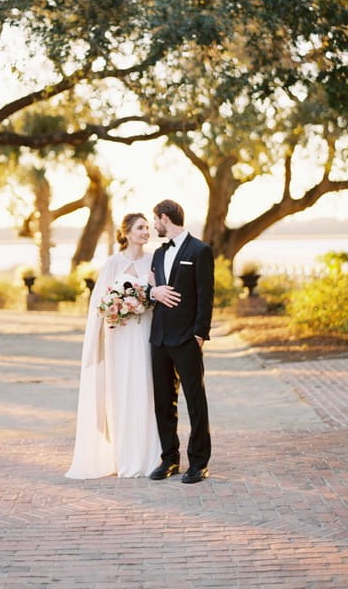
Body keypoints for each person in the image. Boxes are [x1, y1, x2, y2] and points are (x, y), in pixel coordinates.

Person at [66, 213, 161, 479]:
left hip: (144, 334)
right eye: (140, 228)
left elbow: (159, 294)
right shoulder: (113, 263)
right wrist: (117, 308)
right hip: (118, 336)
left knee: (145, 388)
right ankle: (122, 457)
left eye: (146, 228)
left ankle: (149, 456)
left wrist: (143, 300)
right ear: (127, 233)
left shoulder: (154, 261)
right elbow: (100, 304)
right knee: (120, 391)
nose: (145, 232)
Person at [148, 199, 214, 484]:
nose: (154, 226)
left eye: (156, 220)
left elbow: (206, 295)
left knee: (195, 401)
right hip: (159, 337)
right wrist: (154, 291)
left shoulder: (200, 250)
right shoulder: (158, 253)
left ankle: (198, 463)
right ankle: (169, 459)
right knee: (163, 402)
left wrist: (200, 334)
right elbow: (153, 289)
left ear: (165, 218)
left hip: (187, 337)